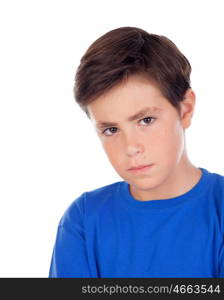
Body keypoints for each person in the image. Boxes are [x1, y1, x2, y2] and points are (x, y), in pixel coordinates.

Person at [49, 26, 224, 278]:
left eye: (146, 120)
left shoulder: (218, 210)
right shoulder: (84, 220)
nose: (130, 148)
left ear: (185, 110)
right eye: (111, 129)